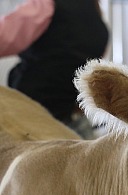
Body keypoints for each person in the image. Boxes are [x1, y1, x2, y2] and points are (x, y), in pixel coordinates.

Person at [0, 0, 109, 139]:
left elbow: (4, 36)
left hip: (31, 116)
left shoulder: (46, 5)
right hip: (72, 119)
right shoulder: (96, 19)